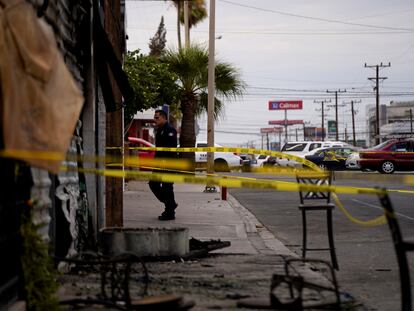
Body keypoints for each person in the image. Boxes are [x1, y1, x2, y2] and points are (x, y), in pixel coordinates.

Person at [149, 109, 178, 220]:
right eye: (154, 117)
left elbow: (171, 148)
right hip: (159, 164)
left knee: (167, 187)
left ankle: (169, 212)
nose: (155, 119)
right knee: (153, 184)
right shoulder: (159, 130)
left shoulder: (170, 130)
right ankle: (171, 203)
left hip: (168, 164)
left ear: (164, 118)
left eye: (157, 117)